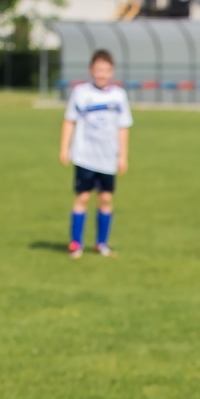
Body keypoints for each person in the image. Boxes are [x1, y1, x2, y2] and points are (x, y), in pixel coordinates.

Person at [59, 49, 132, 258]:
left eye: (106, 70)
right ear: (91, 70)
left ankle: (101, 243)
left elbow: (123, 127)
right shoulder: (80, 92)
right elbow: (69, 120)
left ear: (112, 71)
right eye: (98, 69)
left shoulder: (119, 96)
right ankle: (75, 243)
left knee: (106, 199)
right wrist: (64, 147)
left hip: (108, 158)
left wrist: (123, 156)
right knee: (82, 197)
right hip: (84, 156)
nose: (102, 74)